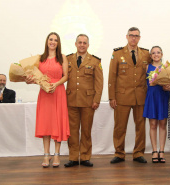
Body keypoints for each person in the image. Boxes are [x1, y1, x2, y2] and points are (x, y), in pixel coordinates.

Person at [26, 32, 70, 168]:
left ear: (58, 43)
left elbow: (66, 76)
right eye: (50, 39)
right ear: (47, 41)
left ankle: (56, 154)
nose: (53, 42)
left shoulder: (62, 57)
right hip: (44, 94)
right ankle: (46, 154)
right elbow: (35, 77)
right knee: (46, 124)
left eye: (55, 40)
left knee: (57, 123)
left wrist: (55, 84)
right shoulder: (39, 58)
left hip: (58, 92)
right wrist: (29, 81)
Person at [108, 27, 151, 164]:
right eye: (131, 35)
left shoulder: (146, 54)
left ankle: (138, 153)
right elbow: (112, 77)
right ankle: (119, 153)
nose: (134, 38)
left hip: (140, 96)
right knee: (120, 127)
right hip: (122, 96)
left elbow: (151, 74)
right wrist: (111, 96)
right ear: (126, 36)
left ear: (139, 38)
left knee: (140, 126)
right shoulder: (118, 53)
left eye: (136, 36)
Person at [64, 34, 103, 167]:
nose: (82, 45)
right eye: (79, 42)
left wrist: (96, 99)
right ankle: (73, 157)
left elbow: (99, 82)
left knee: (86, 131)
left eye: (84, 43)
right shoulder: (67, 59)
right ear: (75, 44)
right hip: (71, 100)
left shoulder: (95, 61)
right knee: (73, 131)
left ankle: (85, 156)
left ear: (88, 45)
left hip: (88, 101)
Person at [143, 46, 169, 163]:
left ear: (162, 54)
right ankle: (154, 150)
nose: (156, 54)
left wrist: (167, 85)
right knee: (153, 124)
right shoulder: (147, 67)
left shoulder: (167, 67)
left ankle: (162, 150)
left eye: (158, 52)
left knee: (163, 124)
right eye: (153, 53)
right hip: (152, 97)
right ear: (150, 56)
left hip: (163, 96)